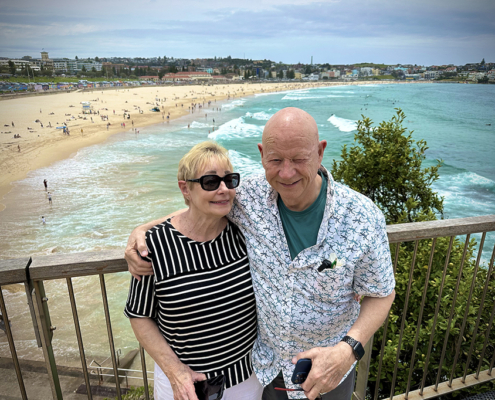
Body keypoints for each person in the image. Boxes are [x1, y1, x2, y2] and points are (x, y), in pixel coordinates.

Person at [126, 107, 396, 400]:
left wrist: (348, 350)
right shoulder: (249, 197)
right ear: (262, 154)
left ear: (320, 152)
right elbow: (203, 204)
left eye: (299, 159)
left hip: (328, 370)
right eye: (276, 160)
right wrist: (142, 230)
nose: (286, 172)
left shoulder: (362, 217)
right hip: (265, 371)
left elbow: (381, 292)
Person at [124, 142, 263, 400]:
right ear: (185, 188)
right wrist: (175, 371)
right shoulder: (155, 245)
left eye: (229, 180)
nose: (223, 189)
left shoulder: (244, 233)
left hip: (246, 379)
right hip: (183, 385)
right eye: (210, 182)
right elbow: (139, 314)